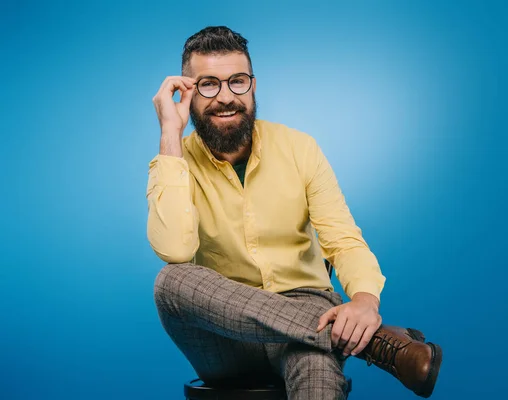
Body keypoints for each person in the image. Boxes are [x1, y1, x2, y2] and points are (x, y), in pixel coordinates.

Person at [147, 26, 442, 399]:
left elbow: (342, 238)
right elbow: (174, 249)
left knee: (317, 372)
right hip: (222, 336)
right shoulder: (175, 161)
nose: (225, 97)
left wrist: (365, 302)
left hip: (305, 311)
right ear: (186, 93)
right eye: (208, 85)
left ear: (253, 86)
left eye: (237, 82)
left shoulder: (299, 148)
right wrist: (170, 133)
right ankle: (372, 344)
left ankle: (332, 332)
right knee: (171, 283)